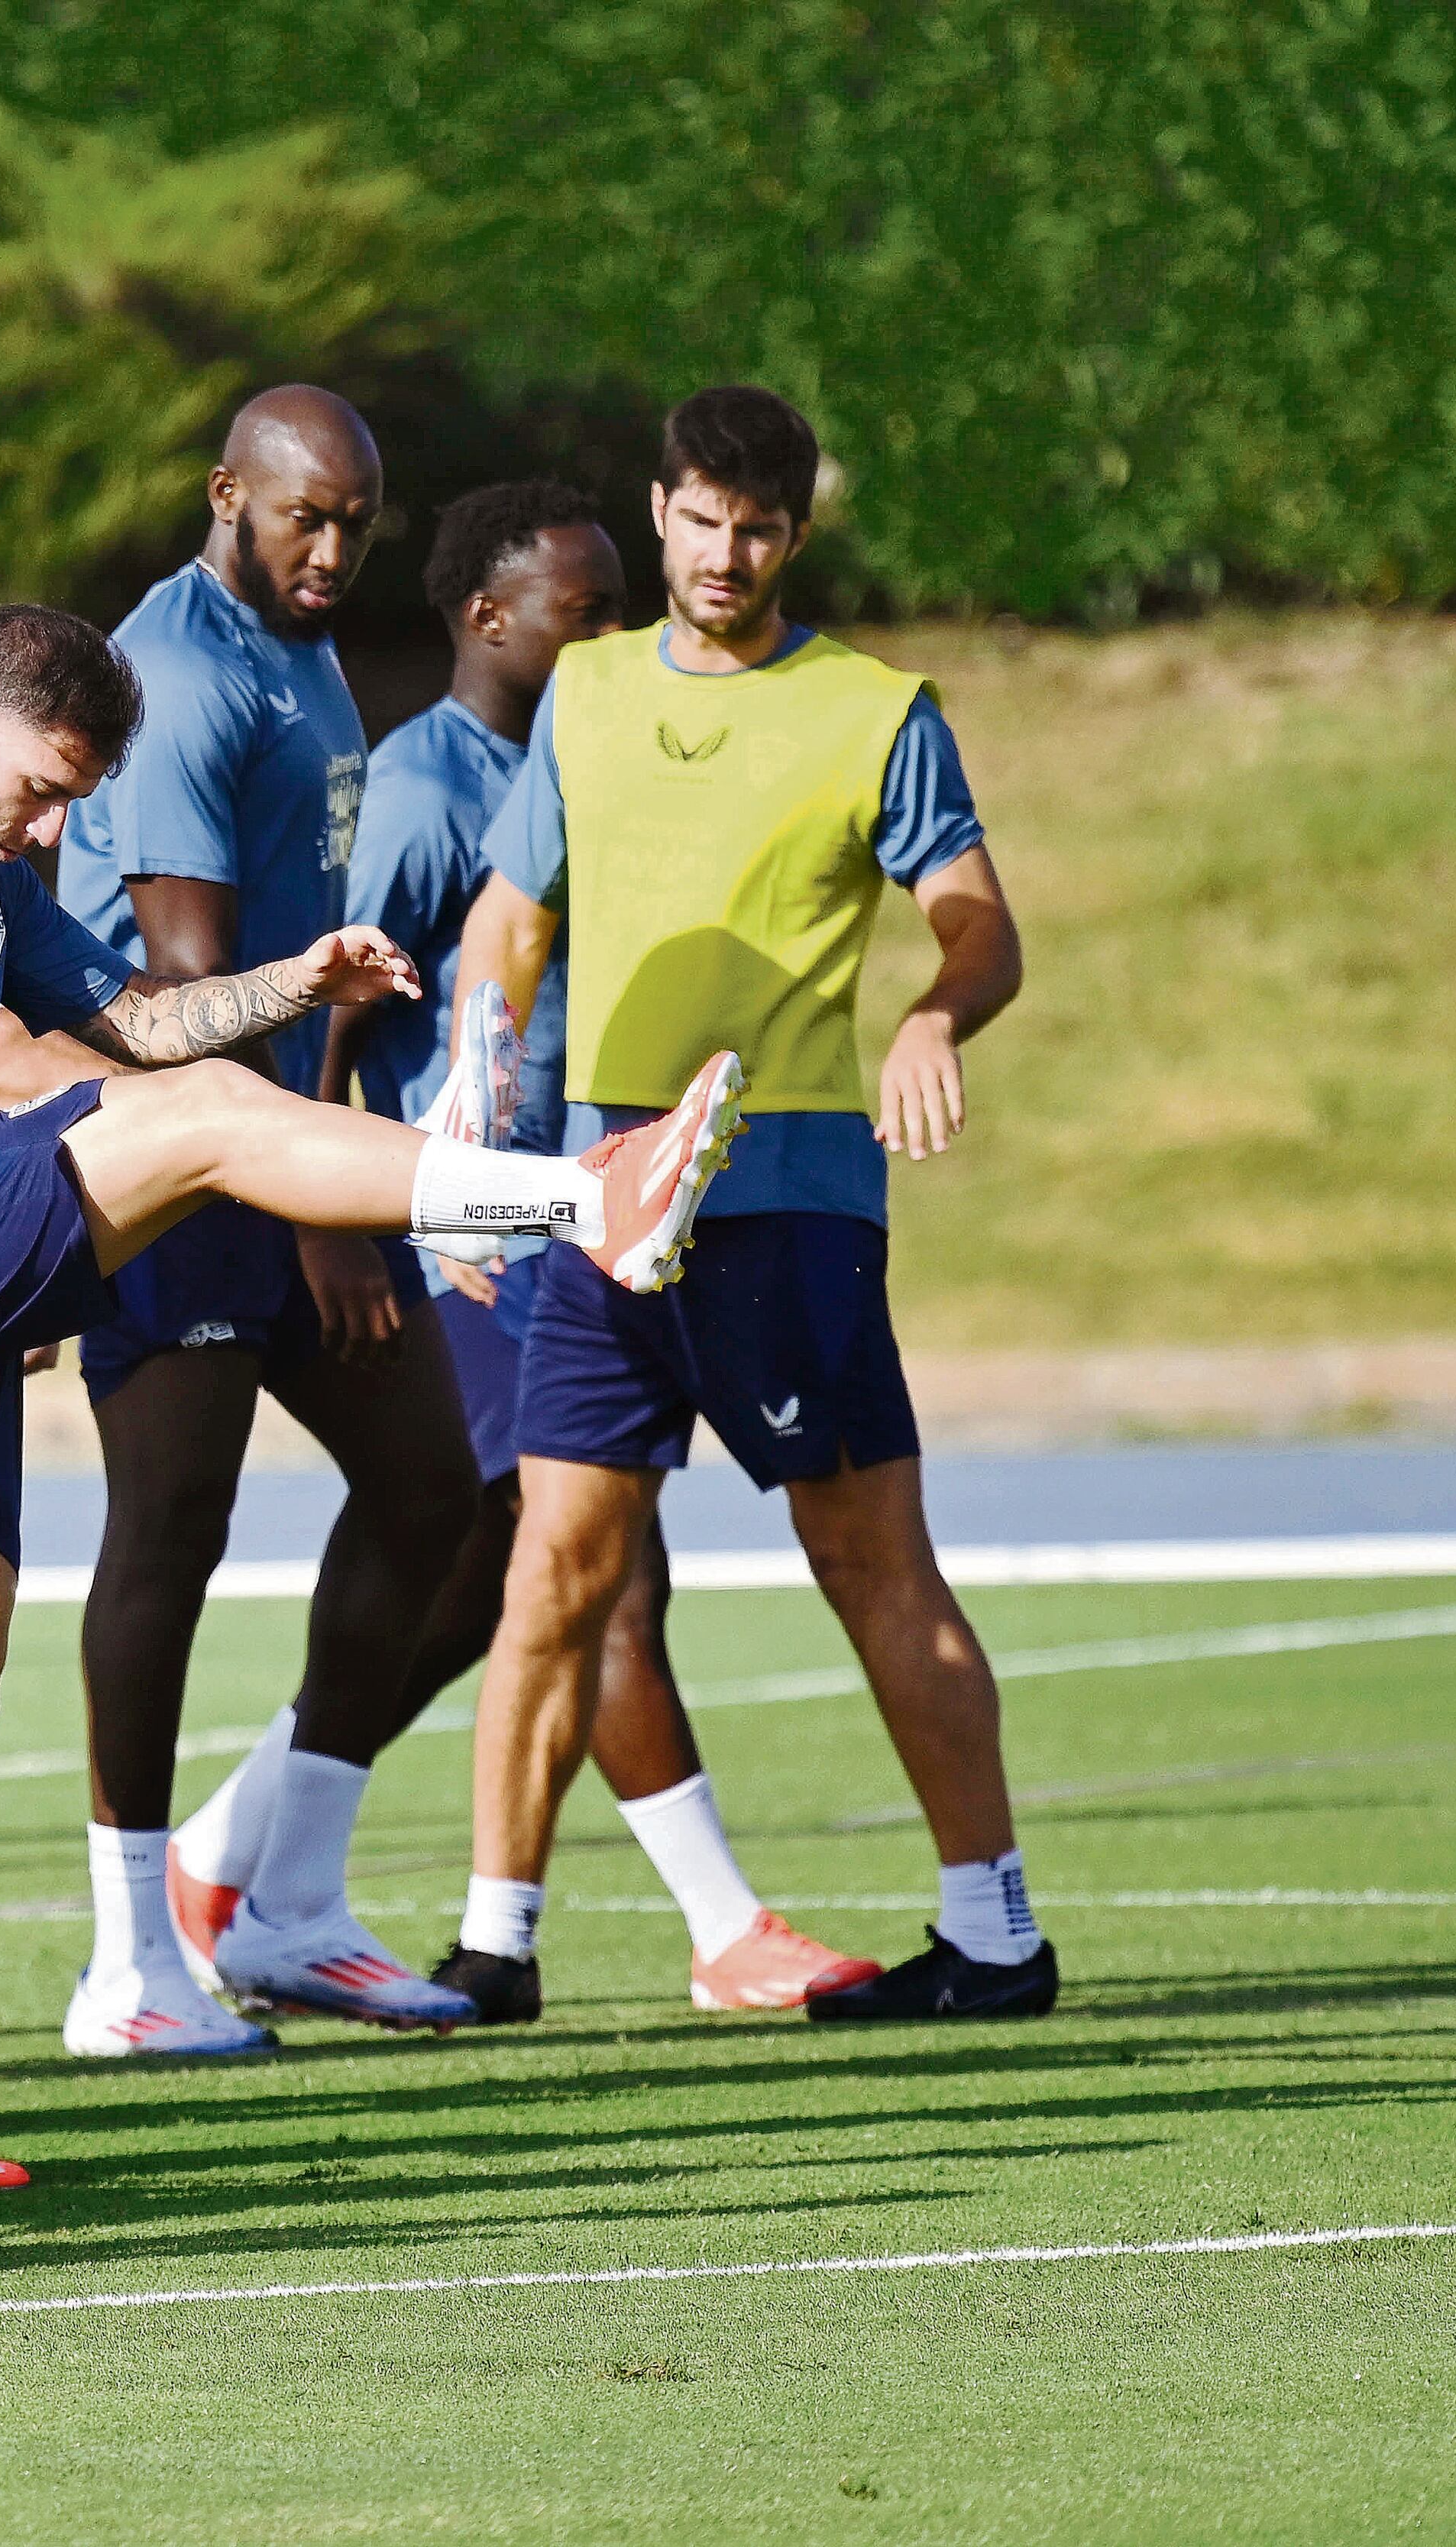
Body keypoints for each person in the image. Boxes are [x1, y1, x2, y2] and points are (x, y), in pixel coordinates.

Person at [0, 601, 745, 2194]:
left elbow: (126, 1016)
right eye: (46, 789)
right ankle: (570, 1197)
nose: (53, 830)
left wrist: (286, 980)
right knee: (195, 1123)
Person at [453, 387, 1047, 2022]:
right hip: (592, 1190)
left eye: (760, 526)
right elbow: (513, 910)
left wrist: (934, 1011)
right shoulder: (577, 690)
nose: (727, 553)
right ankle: (494, 1941)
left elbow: (977, 921)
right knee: (554, 1562)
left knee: (866, 1557)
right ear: (660, 513)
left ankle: (994, 1935)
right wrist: (476, 1081)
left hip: (784, 1194)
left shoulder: (874, 710)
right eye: (702, 519)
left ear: (795, 531)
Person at [328, 478, 875, 2022]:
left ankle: (243, 1858)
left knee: (507, 1581)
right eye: (588, 607)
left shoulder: (608, 748)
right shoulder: (432, 784)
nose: (619, 629)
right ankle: (712, 1926)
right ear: (490, 619)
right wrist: (360, 1223)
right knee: (596, 1570)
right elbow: (355, 1008)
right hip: (489, 1227)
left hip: (607, 1201)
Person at [49, 387, 486, 2044]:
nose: (332, 550)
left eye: (356, 522)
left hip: (287, 1138)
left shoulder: (297, 650)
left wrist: (335, 1158)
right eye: (304, 516)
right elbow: (180, 972)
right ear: (227, 493)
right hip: (170, 1153)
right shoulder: (172, 672)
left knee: (440, 1486)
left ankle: (286, 1898)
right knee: (172, 1523)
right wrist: (316, 1203)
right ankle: (125, 1962)